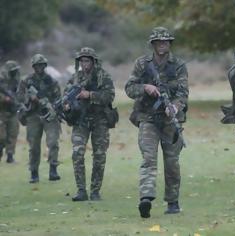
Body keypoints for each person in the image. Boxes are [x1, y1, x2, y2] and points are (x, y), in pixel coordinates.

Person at [125, 26, 189, 218]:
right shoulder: (142, 64)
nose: (162, 45)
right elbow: (129, 88)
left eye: (166, 41)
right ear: (153, 44)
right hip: (148, 118)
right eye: (159, 42)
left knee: (172, 162)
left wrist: (175, 107)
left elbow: (183, 92)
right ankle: (146, 198)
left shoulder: (178, 64)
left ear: (170, 43)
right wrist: (145, 87)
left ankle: (172, 201)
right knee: (148, 159)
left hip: (171, 121)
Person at [65, 47, 115, 201]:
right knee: (77, 153)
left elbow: (109, 96)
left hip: (100, 120)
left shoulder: (103, 76)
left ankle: (95, 191)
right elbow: (66, 96)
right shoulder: (75, 78)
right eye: (82, 60)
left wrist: (90, 95)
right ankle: (81, 191)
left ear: (93, 61)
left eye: (87, 60)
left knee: (99, 156)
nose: (84, 63)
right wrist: (67, 105)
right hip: (81, 120)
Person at [17, 54, 61, 183]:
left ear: (45, 65)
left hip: (49, 116)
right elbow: (19, 97)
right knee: (34, 146)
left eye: (41, 65)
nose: (39, 68)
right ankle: (34, 172)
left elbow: (58, 98)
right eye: (37, 65)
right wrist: (29, 99)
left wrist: (51, 106)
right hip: (33, 115)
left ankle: (53, 169)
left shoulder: (52, 81)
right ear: (33, 66)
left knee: (53, 143)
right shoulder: (26, 81)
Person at [0, 60, 21, 163]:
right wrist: (4, 99)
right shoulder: (1, 80)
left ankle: (10, 156)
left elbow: (19, 93)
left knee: (13, 134)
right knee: (1, 136)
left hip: (13, 111)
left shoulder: (16, 80)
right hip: (2, 111)